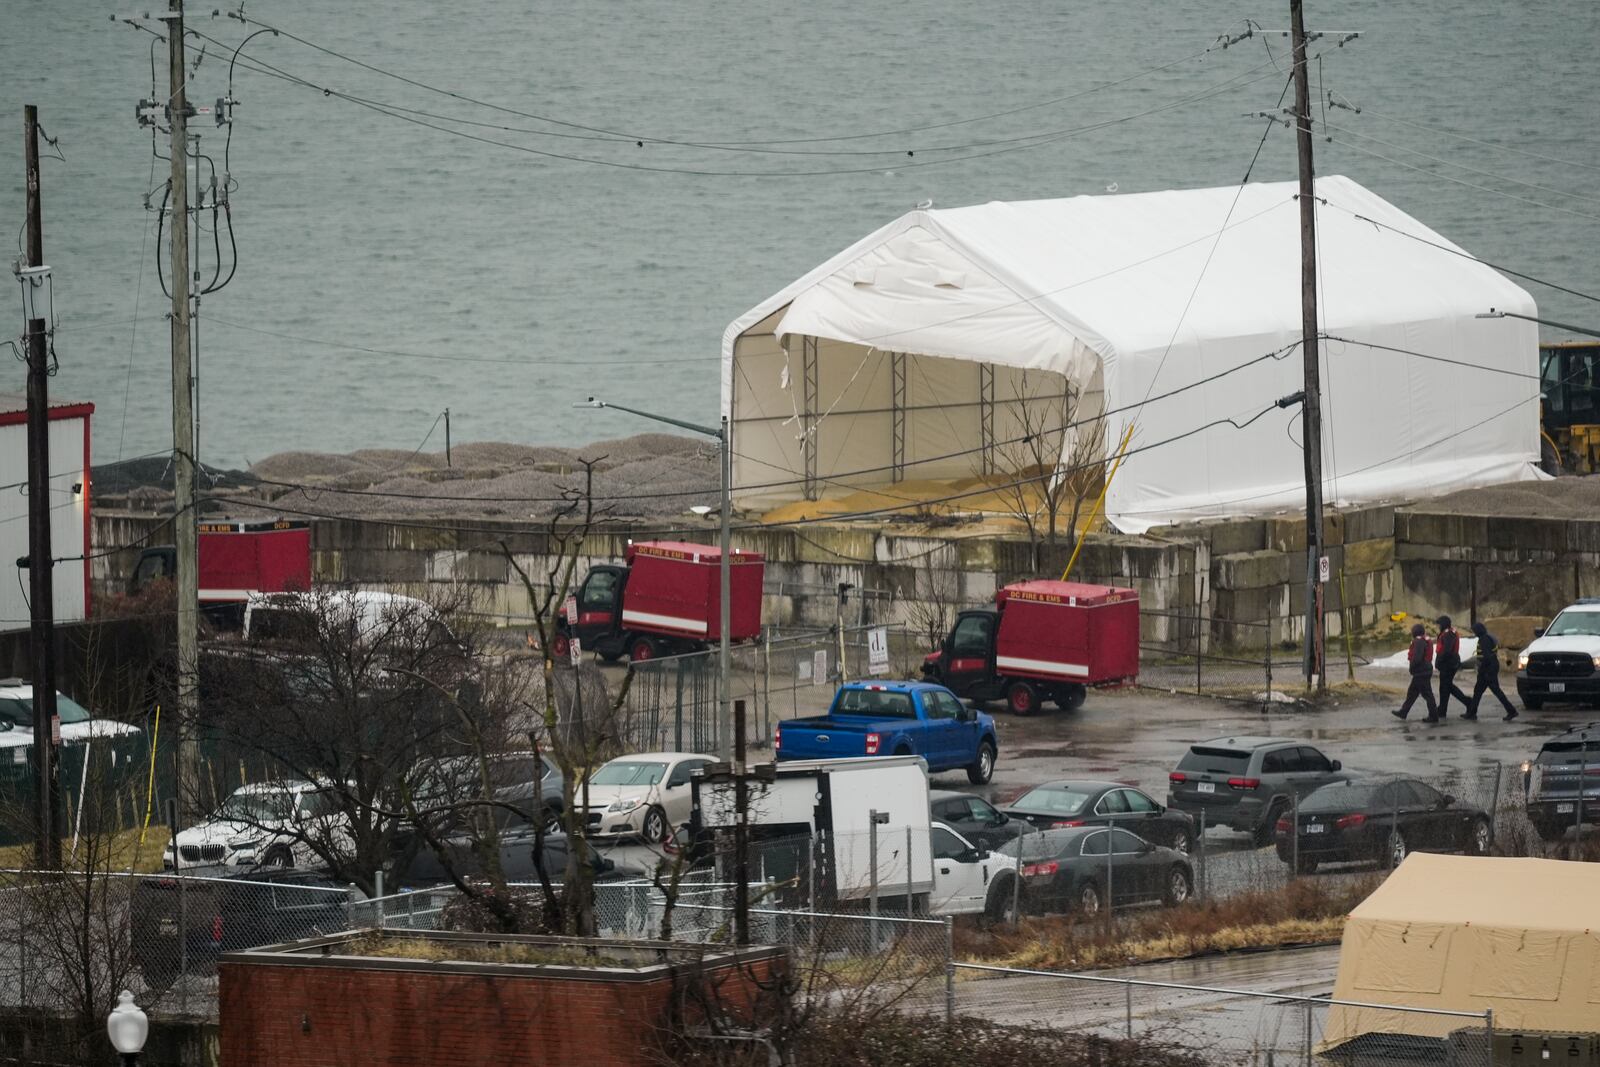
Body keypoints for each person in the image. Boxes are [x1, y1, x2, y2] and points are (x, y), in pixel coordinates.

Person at [1467, 620, 1518, 721]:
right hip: (1491, 666)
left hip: (1487, 669)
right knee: (1478, 691)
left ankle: (1512, 711)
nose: (1474, 633)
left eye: (1474, 631)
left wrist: (1482, 670)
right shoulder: (1488, 637)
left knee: (1494, 691)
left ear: (1478, 631)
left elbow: (1486, 657)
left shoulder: (1484, 640)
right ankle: (1471, 712)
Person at [1392, 623, 1439, 722]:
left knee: (1427, 694)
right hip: (1424, 670)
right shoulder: (1425, 639)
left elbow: (1417, 658)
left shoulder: (1418, 642)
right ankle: (1403, 712)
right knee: (1412, 693)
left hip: (1421, 671)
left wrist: (1412, 668)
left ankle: (1433, 716)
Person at [1434, 615, 1471, 718]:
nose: (1438, 626)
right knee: (1445, 687)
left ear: (1444, 625)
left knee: (1446, 687)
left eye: (1439, 624)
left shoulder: (1448, 634)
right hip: (1449, 663)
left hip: (1448, 663)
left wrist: (1439, 661)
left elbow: (1447, 650)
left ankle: (1467, 702)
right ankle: (1442, 709)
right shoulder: (1448, 633)